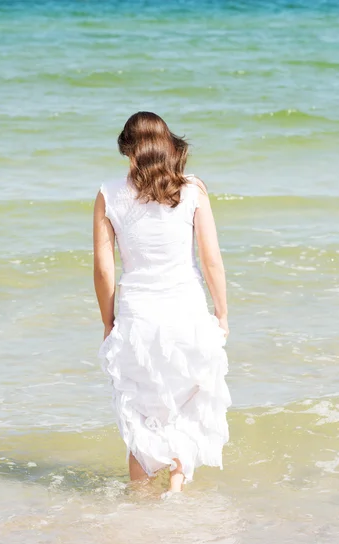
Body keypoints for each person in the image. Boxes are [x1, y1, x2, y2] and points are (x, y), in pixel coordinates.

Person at [93, 111, 231, 496]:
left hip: (138, 317)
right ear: (168, 144)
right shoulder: (192, 189)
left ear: (128, 150)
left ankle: (139, 499)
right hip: (186, 313)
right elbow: (211, 259)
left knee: (141, 409)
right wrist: (222, 313)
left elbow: (104, 270)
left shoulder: (108, 193)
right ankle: (176, 486)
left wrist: (108, 321)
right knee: (185, 404)